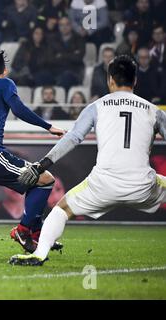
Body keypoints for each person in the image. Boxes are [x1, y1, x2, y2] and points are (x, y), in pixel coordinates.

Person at [12, 55, 166, 266]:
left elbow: (73, 138)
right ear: (135, 80)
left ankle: (39, 254)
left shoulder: (97, 106)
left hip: (103, 185)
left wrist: (42, 165)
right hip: (142, 185)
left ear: (110, 79)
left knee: (61, 209)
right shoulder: (154, 111)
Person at [0, 49, 66, 253]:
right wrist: (48, 126)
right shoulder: (5, 83)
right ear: (4, 70)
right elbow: (19, 110)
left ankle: (38, 235)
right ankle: (23, 230)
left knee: (35, 184)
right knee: (46, 179)